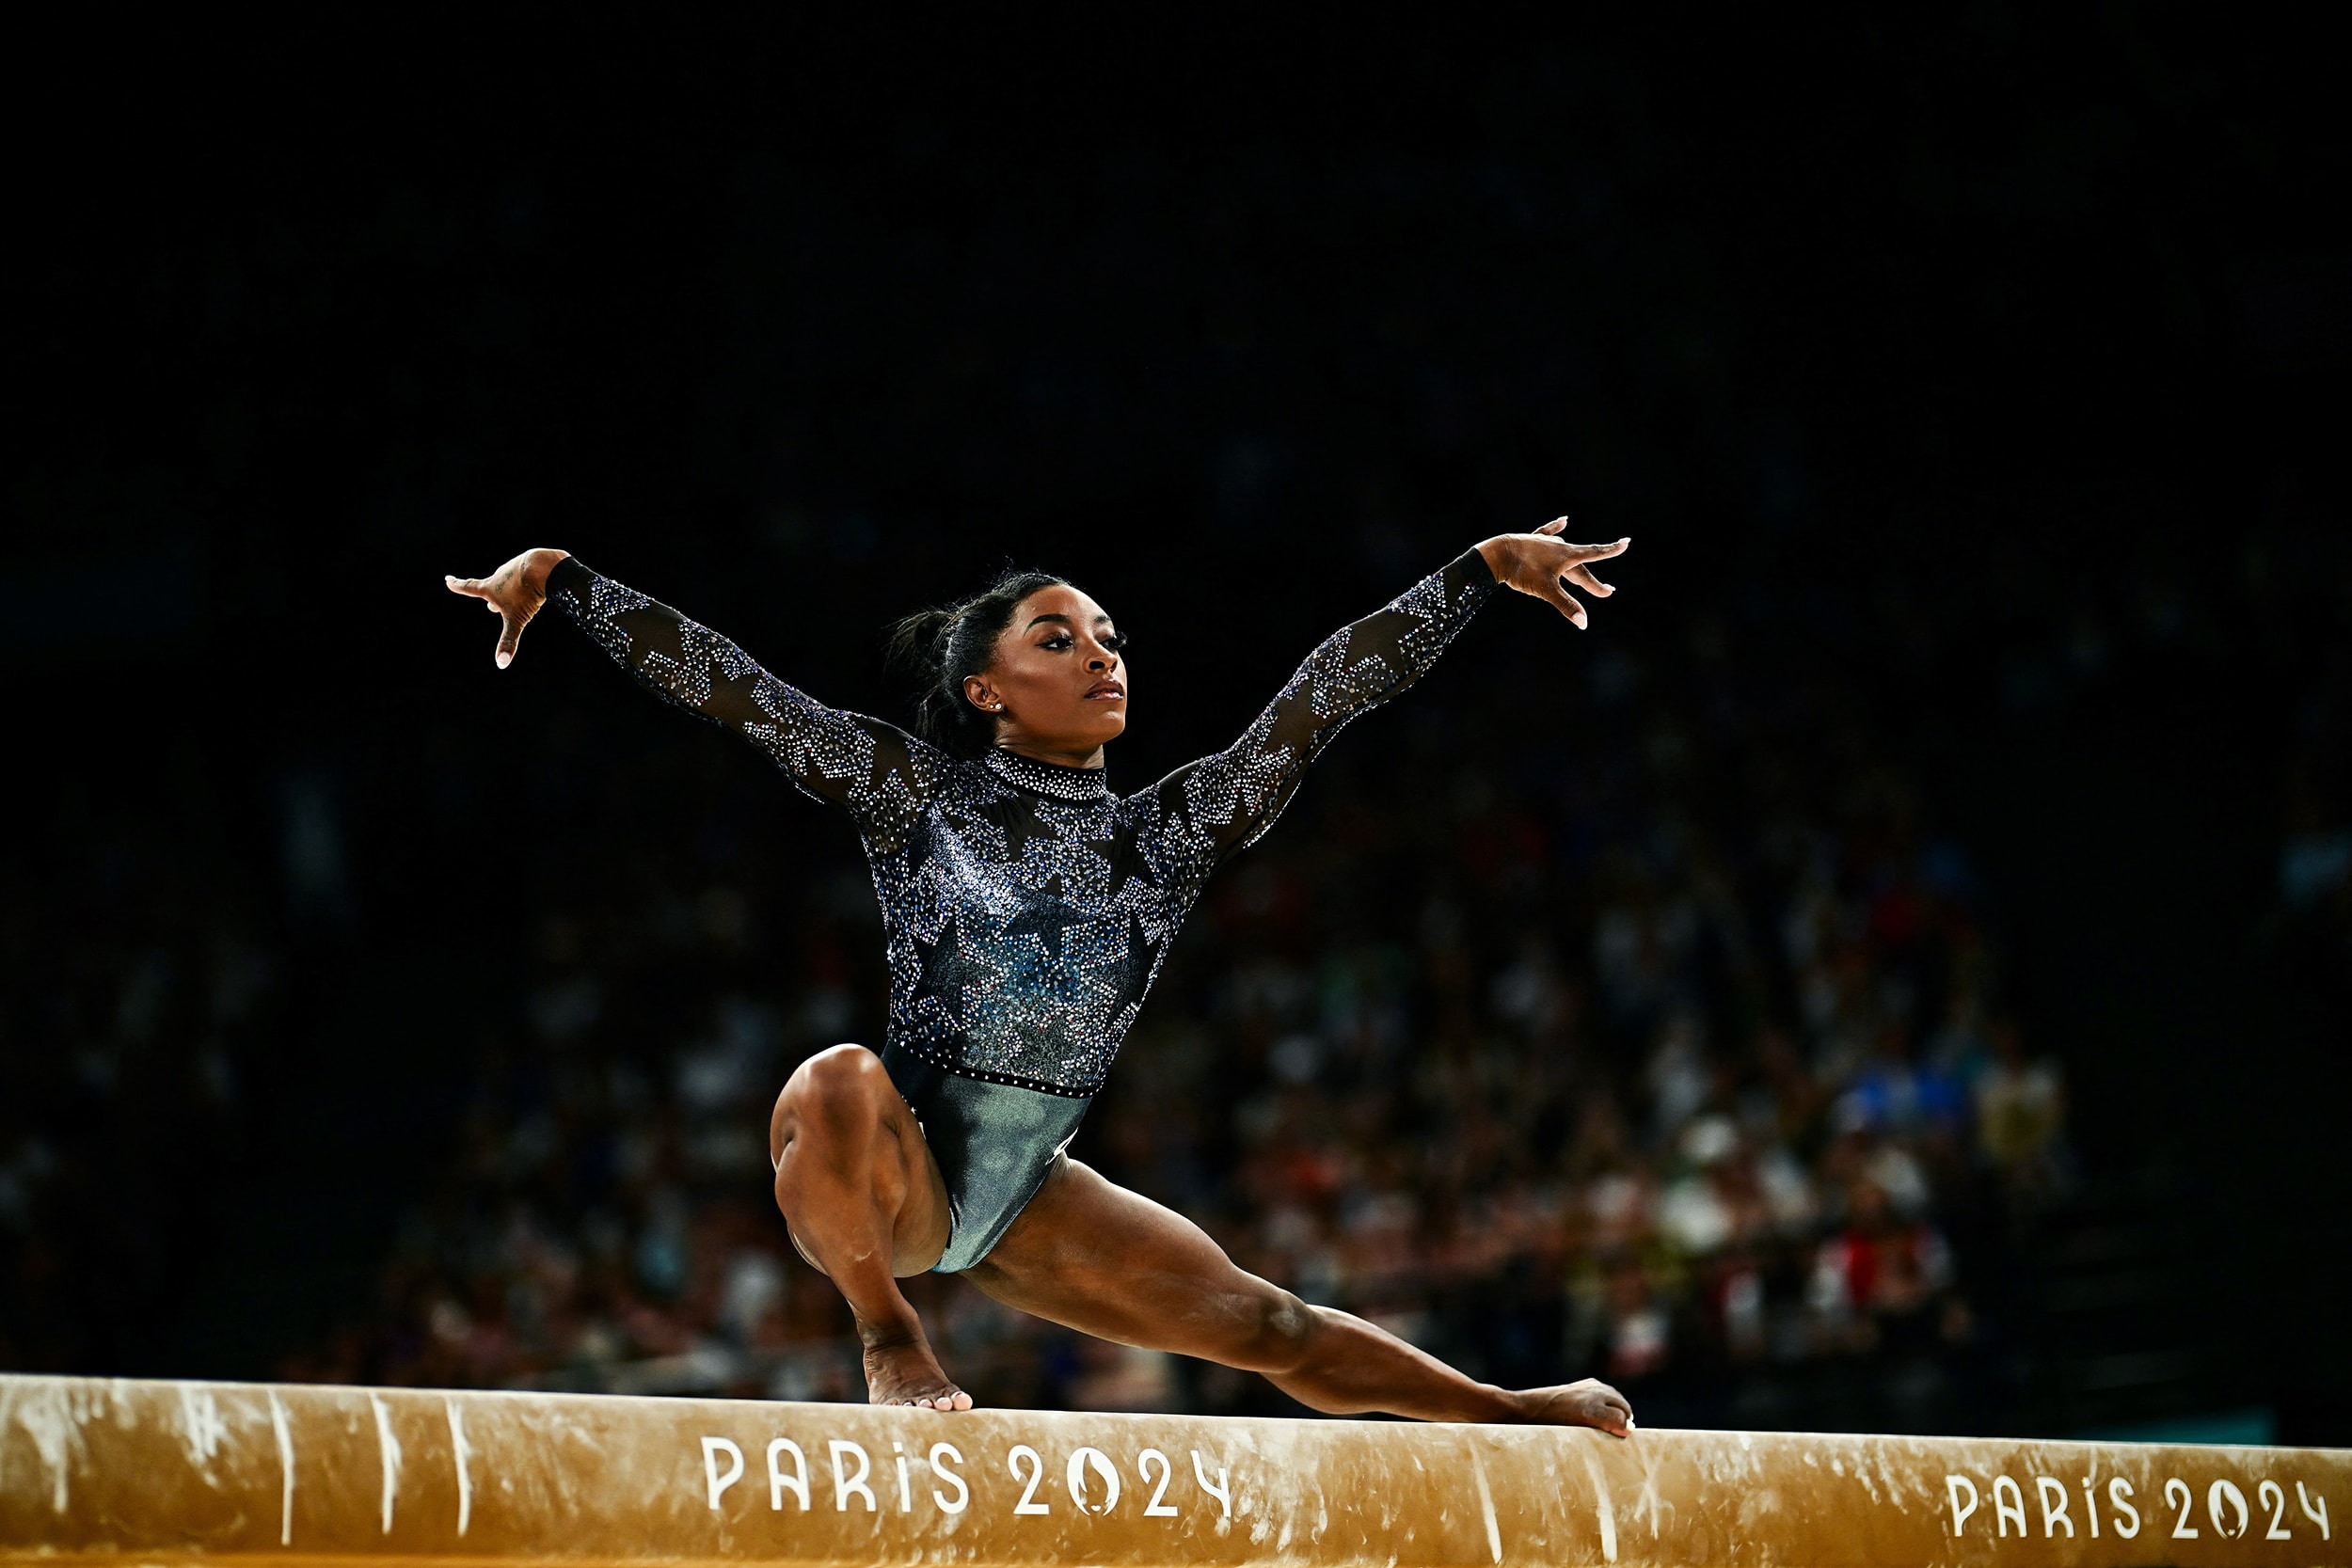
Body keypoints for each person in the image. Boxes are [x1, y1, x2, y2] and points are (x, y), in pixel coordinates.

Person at [445, 520, 1637, 1432]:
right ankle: (887, 1334)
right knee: (835, 1077)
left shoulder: (1169, 832)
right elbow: (740, 692)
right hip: (889, 1173)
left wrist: (1477, 571)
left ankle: (1508, 1411)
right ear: (985, 689)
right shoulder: (914, 792)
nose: (1099, 655)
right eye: (1056, 639)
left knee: (1271, 1323)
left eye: (1109, 637)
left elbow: (1318, 701)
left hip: (1024, 1191)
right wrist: (566, 580)